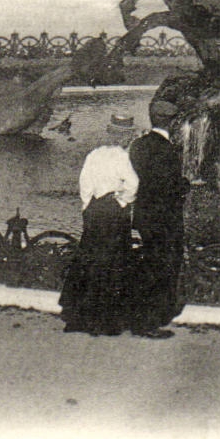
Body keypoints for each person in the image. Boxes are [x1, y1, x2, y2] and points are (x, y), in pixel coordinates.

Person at [60, 113, 141, 335]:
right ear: (126, 136)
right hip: (113, 211)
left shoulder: (93, 155)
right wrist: (123, 201)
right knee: (114, 260)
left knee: (89, 259)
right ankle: (108, 319)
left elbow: (84, 183)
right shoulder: (124, 157)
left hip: (94, 209)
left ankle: (79, 316)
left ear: (109, 133)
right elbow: (134, 184)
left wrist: (87, 206)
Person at [126, 99, 189, 339]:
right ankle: (149, 322)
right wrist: (185, 185)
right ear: (171, 122)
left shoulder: (139, 144)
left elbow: (141, 180)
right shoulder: (168, 149)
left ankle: (147, 317)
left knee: (149, 264)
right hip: (165, 218)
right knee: (161, 267)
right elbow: (168, 186)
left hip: (144, 215)